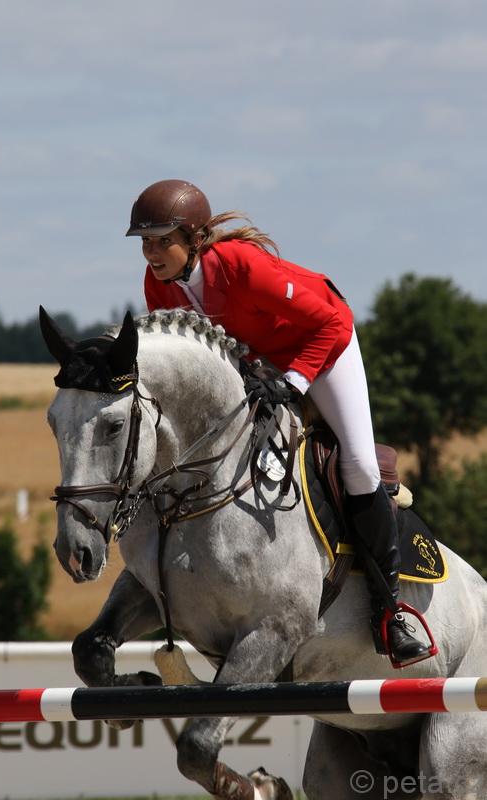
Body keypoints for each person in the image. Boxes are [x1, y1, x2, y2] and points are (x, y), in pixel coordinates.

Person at [125, 178, 433, 666]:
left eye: (162, 240)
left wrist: (295, 381)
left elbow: (332, 323)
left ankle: (390, 610)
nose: (152, 253)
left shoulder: (241, 267)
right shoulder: (156, 285)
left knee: (357, 466)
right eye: (145, 242)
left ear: (194, 238)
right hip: (261, 362)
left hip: (322, 347)